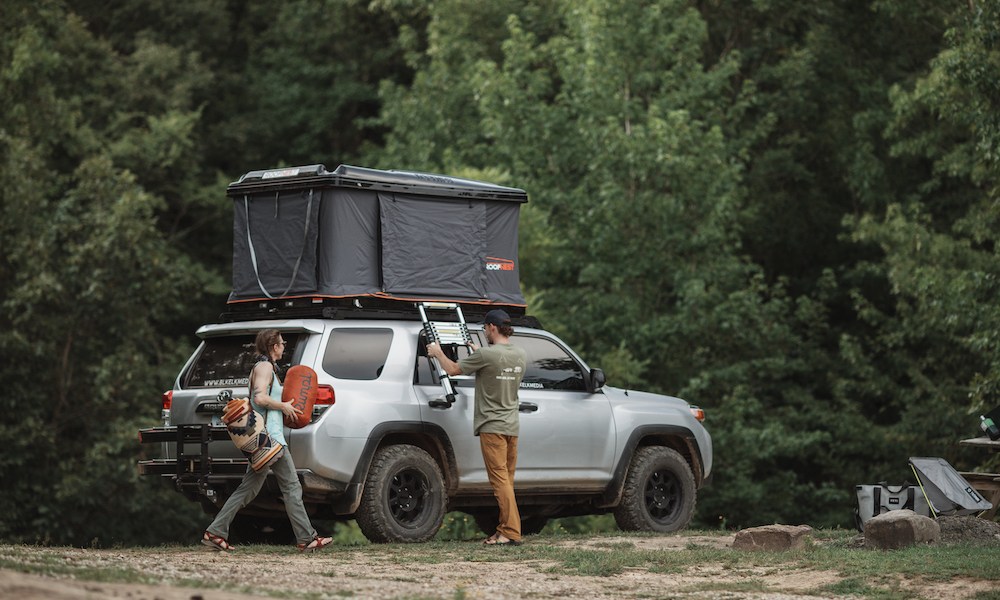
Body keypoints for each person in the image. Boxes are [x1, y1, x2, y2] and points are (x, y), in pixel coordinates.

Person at [201, 328, 333, 552]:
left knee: (248, 489)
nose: (284, 347)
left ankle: (215, 532)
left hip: (266, 441)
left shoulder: (267, 367)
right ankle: (306, 538)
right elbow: (259, 397)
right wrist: (283, 405)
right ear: (274, 346)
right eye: (282, 344)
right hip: (270, 441)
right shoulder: (265, 367)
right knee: (291, 486)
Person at [427, 309, 527, 546]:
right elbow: (496, 367)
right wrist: (478, 355)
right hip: (512, 425)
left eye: (485, 328)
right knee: (507, 480)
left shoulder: (486, 354)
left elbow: (452, 369)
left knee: (499, 480)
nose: (484, 332)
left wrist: (438, 353)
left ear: (492, 327)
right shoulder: (520, 353)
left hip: (492, 425)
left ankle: (511, 531)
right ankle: (504, 529)